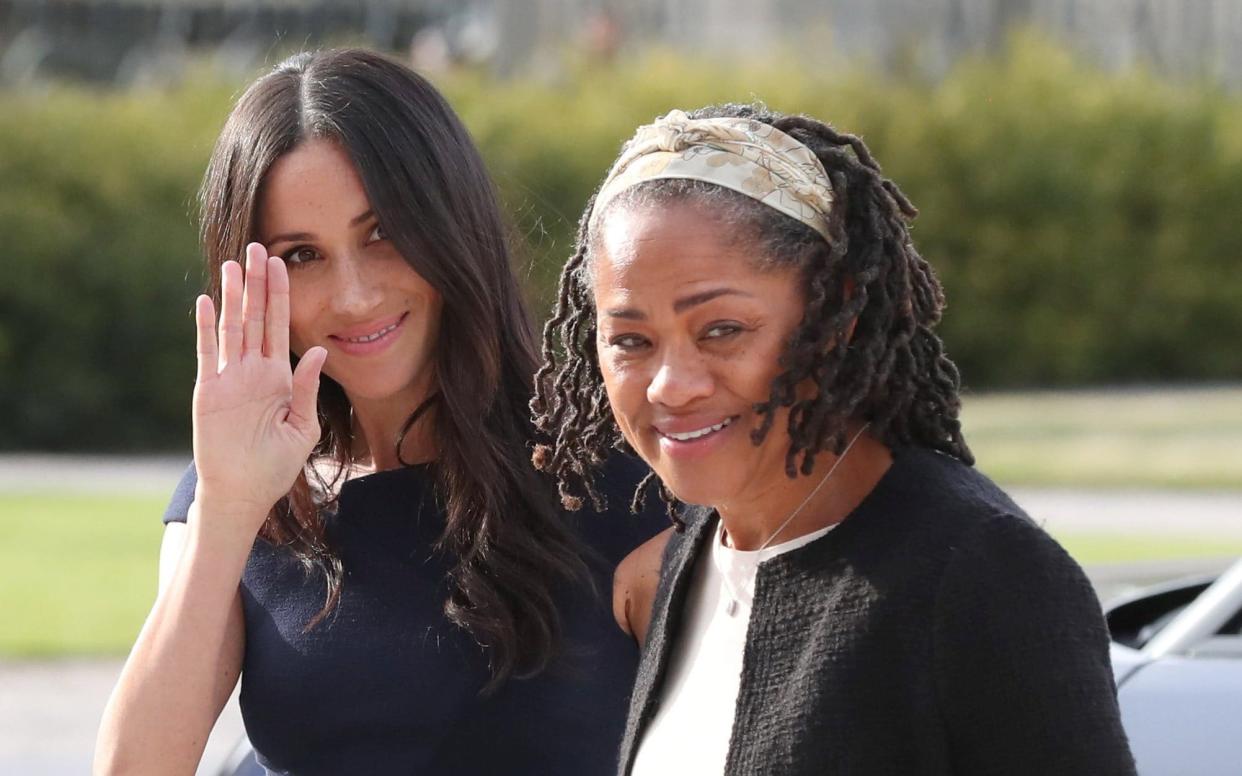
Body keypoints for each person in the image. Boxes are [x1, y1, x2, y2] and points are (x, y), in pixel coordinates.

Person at [95, 48, 665, 776]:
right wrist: (231, 506)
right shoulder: (239, 492)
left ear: (452, 225)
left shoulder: (619, 477)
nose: (355, 295)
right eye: (301, 256)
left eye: (383, 234)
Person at [531, 105, 1138, 775]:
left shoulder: (978, 572)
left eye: (721, 330)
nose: (670, 386)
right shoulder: (691, 557)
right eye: (631, 342)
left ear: (834, 312)